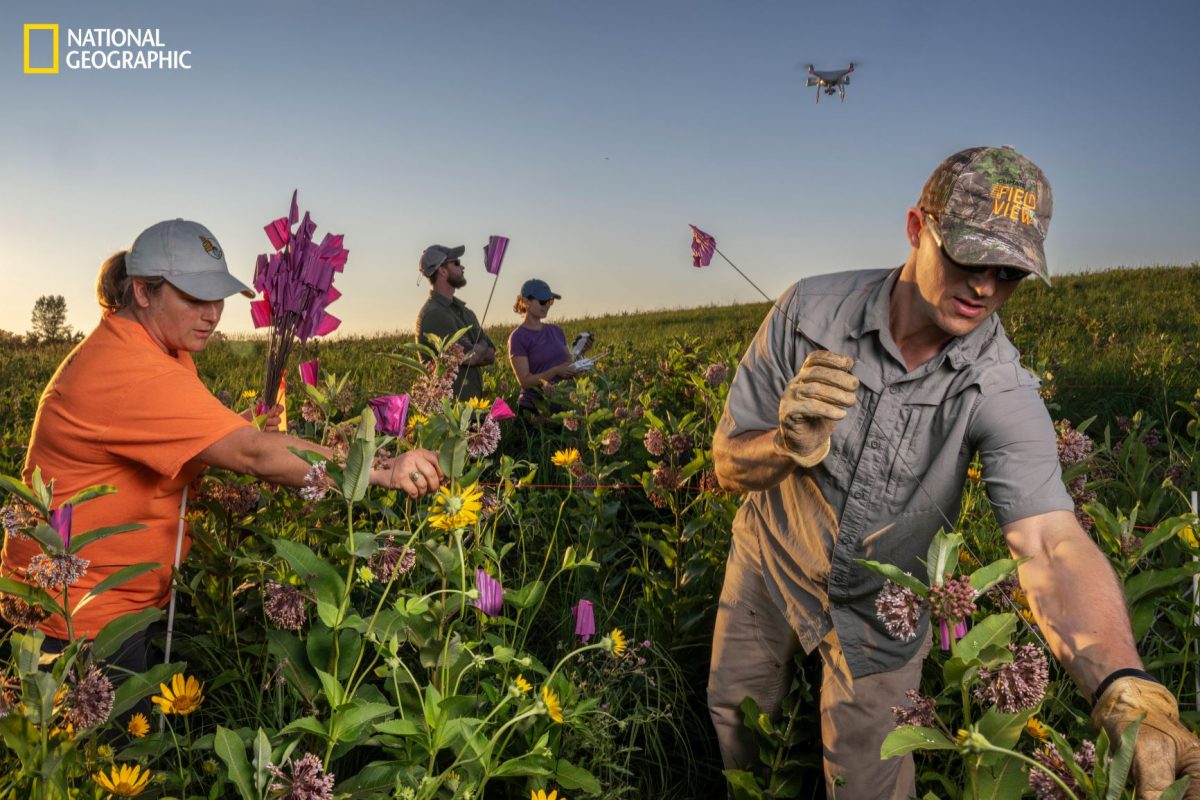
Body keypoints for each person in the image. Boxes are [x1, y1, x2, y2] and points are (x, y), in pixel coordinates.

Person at [708, 146, 1200, 799]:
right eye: (969, 258)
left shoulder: (998, 385)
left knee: (869, 784)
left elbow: (1050, 542)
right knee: (737, 725)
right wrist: (785, 445)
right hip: (770, 562)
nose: (986, 288)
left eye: (1010, 272)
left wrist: (1125, 688)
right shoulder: (808, 313)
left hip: (883, 610)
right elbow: (727, 464)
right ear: (917, 228)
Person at [0, 219, 443, 676]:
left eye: (218, 297)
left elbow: (180, 432)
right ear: (143, 292)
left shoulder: (156, 347)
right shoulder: (131, 370)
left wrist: (240, 425)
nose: (212, 314)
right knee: (115, 724)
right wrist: (379, 468)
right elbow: (253, 454)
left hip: (117, 601)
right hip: (79, 617)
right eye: (194, 298)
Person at [414, 244, 496, 401]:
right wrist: (479, 347)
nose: (462, 267)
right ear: (442, 271)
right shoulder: (434, 314)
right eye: (456, 263)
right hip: (450, 412)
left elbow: (491, 355)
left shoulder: (465, 311)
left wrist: (476, 350)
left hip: (473, 408)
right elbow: (470, 357)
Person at [506, 279, 589, 415]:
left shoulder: (556, 331)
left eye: (550, 301)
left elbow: (568, 365)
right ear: (525, 302)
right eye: (542, 302)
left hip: (563, 406)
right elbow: (525, 381)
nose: (547, 306)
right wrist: (555, 371)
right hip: (535, 409)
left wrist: (581, 355)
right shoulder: (518, 337)